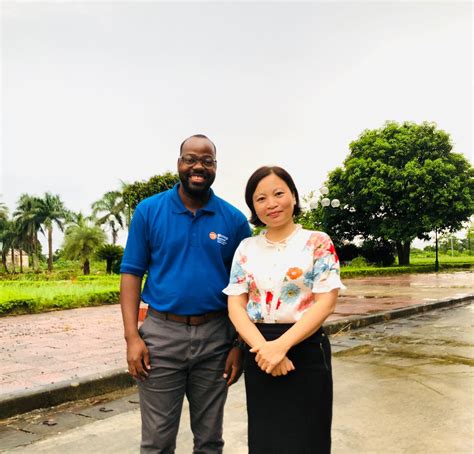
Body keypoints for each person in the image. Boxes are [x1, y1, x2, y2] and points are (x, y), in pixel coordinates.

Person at [120, 134, 251, 453]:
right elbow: (131, 274)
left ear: (215, 167)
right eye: (190, 158)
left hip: (215, 338)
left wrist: (238, 344)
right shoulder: (149, 211)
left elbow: (245, 287)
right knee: (157, 441)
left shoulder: (233, 221)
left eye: (207, 161)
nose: (198, 166)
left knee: (209, 439)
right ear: (179, 163)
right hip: (161, 337)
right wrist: (132, 338)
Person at [223, 166, 345, 454]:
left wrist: (282, 346)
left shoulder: (317, 242)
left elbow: (326, 301)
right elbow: (236, 305)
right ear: (253, 206)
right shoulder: (246, 248)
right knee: (266, 440)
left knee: (308, 439)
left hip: (306, 348)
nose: (271, 204)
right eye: (261, 198)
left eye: (279, 193)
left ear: (293, 195)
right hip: (259, 351)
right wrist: (265, 349)